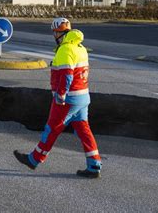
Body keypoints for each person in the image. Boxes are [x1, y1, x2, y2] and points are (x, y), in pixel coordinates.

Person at [13, 18, 102, 179]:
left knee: (52, 129)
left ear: (59, 33)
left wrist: (61, 94)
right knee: (84, 131)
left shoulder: (65, 49)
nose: (54, 35)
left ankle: (34, 159)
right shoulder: (80, 48)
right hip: (83, 97)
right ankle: (94, 165)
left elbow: (67, 74)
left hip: (68, 99)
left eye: (55, 32)